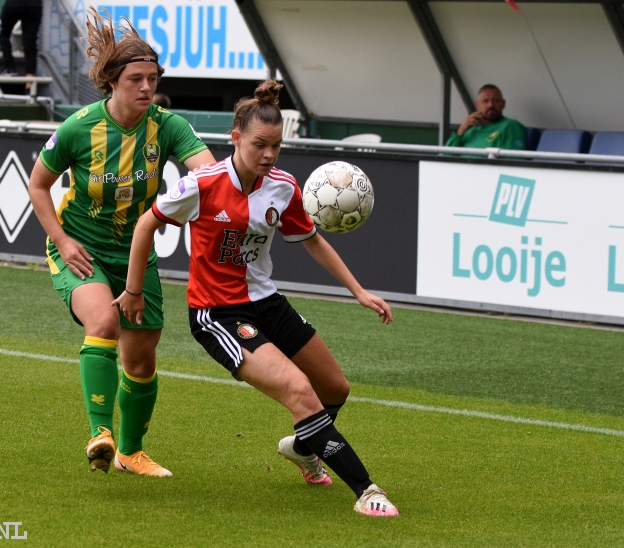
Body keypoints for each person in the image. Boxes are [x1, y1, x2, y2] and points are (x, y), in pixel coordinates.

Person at [113, 80, 399, 517]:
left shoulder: (283, 186)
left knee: (334, 388)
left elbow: (312, 239)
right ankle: (366, 490)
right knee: (300, 392)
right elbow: (146, 226)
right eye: (259, 145)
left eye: (276, 147)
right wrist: (134, 291)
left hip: (266, 302)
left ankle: (302, 447)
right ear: (235, 138)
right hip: (217, 313)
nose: (268, 155)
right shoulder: (202, 184)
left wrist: (358, 291)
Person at [28, 7, 215, 478]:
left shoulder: (168, 126)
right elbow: (38, 185)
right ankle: (99, 434)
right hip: (82, 248)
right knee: (104, 320)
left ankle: (132, 451)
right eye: (136, 78)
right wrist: (61, 240)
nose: (147, 87)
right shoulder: (78, 128)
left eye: (152, 78)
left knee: (142, 354)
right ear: (113, 81)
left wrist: (182, 203)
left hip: (135, 253)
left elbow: (208, 175)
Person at [445, 84, 526, 150]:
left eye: (496, 101)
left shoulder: (511, 126)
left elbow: (513, 161)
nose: (491, 105)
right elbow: (445, 156)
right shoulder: (470, 130)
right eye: (485, 101)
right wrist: (461, 130)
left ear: (503, 104)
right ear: (477, 105)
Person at [0, 0, 42, 87]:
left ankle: (10, 68)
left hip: (14, 4)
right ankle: (30, 85)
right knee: (30, 42)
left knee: (3, 33)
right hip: (34, 5)